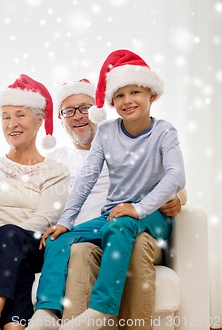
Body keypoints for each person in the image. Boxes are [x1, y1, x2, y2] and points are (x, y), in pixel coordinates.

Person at [28, 49, 186, 330]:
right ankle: (47, 312)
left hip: (150, 217)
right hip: (113, 216)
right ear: (112, 102)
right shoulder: (107, 133)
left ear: (152, 95)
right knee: (57, 239)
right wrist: (65, 222)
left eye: (135, 92)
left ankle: (101, 310)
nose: (127, 100)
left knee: (121, 223)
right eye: (120, 95)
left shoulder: (164, 131)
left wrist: (139, 208)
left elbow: (176, 176)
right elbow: (88, 177)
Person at [0, 74, 70, 330]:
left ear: (39, 121)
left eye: (20, 115)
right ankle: (15, 324)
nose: (12, 124)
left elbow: (45, 218)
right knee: (12, 252)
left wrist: (3, 236)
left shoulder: (56, 170)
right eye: (6, 116)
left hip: (33, 243)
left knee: (10, 236)